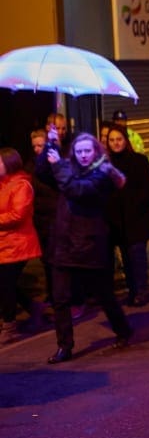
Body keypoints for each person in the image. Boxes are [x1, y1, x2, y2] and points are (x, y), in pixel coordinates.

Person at [35, 130, 132, 364]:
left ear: (96, 151)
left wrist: (59, 165)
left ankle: (123, 330)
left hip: (89, 245)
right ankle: (64, 346)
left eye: (87, 150)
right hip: (64, 244)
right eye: (79, 151)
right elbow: (41, 172)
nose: (83, 155)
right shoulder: (68, 169)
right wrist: (51, 144)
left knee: (103, 294)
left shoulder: (103, 175)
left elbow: (77, 190)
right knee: (60, 299)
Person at [106, 125, 149, 306]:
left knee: (137, 255)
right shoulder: (106, 164)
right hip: (118, 220)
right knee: (126, 259)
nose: (116, 143)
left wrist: (135, 204)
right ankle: (132, 289)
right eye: (112, 140)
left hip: (137, 218)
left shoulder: (139, 161)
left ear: (125, 140)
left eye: (119, 139)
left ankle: (141, 290)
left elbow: (148, 186)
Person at [0, 147, 43, 343]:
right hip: (5, 244)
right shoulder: (3, 184)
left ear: (9, 164)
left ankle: (9, 326)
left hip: (19, 244)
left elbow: (18, 215)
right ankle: (34, 308)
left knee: (6, 284)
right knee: (5, 284)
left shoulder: (22, 185)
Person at [29, 129, 58, 312]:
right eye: (35, 146)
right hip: (40, 218)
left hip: (54, 217)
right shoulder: (30, 164)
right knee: (46, 260)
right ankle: (51, 293)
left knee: (55, 259)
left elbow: (45, 171)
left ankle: (60, 296)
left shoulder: (51, 162)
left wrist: (51, 146)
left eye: (40, 145)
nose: (37, 149)